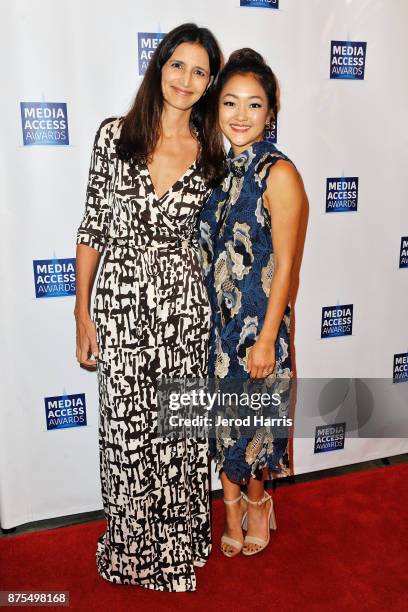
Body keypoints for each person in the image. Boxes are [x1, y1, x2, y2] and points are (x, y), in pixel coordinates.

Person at [74, 23, 224, 592]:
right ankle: (133, 549)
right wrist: (81, 313)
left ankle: (179, 544)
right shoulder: (113, 136)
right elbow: (92, 227)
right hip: (119, 307)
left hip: (185, 313)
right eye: (177, 65)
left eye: (199, 71)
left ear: (209, 83)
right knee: (128, 434)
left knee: (179, 432)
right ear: (159, 66)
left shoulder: (213, 154)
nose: (186, 79)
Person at [198, 49, 305, 557]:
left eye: (254, 105)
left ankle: (259, 505)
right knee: (223, 424)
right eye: (231, 103)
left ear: (271, 111)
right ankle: (230, 508)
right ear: (216, 108)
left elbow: (285, 267)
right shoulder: (214, 173)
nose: (241, 116)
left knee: (255, 428)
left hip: (258, 329)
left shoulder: (279, 174)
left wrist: (266, 339)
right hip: (214, 328)